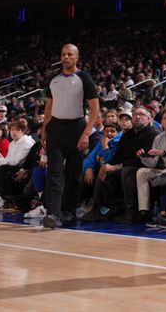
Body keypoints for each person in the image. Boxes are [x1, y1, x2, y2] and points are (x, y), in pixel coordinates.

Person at [41, 44, 101, 229]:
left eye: (70, 54)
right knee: (55, 172)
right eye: (63, 54)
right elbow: (49, 107)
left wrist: (85, 134)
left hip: (76, 128)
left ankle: (69, 211)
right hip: (56, 128)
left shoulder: (84, 78)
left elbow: (95, 109)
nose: (65, 57)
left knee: (74, 174)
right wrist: (44, 130)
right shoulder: (53, 78)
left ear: (77, 57)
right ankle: (53, 213)